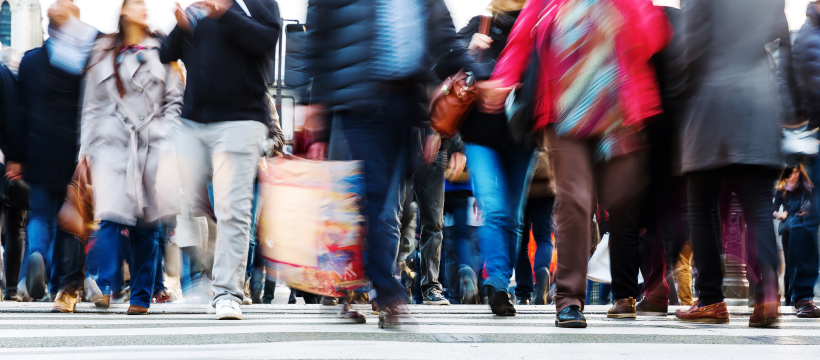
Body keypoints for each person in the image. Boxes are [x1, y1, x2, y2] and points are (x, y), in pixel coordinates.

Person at [301, 0, 490, 328]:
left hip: (406, 104)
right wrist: (311, 102)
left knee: (387, 203)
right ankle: (382, 291)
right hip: (357, 100)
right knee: (371, 197)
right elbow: (318, 36)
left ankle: (365, 289)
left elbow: (444, 40)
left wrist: (481, 74)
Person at [482, 0, 670, 326]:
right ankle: (568, 300)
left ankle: (599, 287)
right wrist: (503, 79)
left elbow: (652, 33)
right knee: (574, 200)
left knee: (623, 195)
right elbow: (522, 37)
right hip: (563, 111)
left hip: (617, 111)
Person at [670, 0, 797, 327]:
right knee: (757, 202)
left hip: (711, 97)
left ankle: (711, 299)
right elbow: (780, 38)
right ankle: (767, 293)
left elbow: (693, 43)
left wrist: (678, 90)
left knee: (700, 201)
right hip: (758, 97)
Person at [159, 0, 281, 320]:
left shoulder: (255, 4)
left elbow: (266, 39)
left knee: (232, 209)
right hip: (192, 121)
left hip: (241, 120)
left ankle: (227, 292)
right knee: (178, 198)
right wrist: (181, 26)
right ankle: (198, 271)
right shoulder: (198, 7)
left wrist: (225, 13)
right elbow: (166, 54)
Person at [80, 0, 183, 316]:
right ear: (124, 10)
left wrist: (164, 134)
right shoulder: (105, 52)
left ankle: (140, 297)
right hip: (111, 147)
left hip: (151, 146)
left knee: (147, 225)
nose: (144, 8)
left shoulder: (163, 50)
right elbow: (92, 107)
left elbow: (175, 100)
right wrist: (85, 152)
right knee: (110, 219)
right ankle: (104, 286)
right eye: (137, 3)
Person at [437, 0, 529, 317]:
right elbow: (441, 64)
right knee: (496, 209)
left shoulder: (538, 24)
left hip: (522, 137)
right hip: (480, 138)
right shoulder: (480, 24)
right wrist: (468, 46)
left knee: (514, 219)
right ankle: (499, 287)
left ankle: (499, 281)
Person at [6, 0, 97, 312]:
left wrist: (16, 155)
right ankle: (62, 284)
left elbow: (18, 114)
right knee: (71, 219)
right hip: (73, 154)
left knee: (40, 216)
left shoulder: (30, 61)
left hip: (38, 151)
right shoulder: (83, 62)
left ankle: (38, 257)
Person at [788, 0, 820, 318]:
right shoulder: (809, 38)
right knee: (808, 217)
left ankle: (802, 294)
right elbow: (811, 89)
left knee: (807, 217)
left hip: (809, 141)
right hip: (813, 141)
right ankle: (802, 295)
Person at [774, 165, 820, 317]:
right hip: (788, 226)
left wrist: (809, 209)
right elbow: (774, 208)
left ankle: (802, 298)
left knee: (804, 255)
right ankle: (791, 299)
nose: (793, 175)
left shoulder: (807, 186)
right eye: (790, 173)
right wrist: (780, 214)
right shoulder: (782, 188)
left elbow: (813, 202)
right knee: (790, 263)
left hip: (802, 221)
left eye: (796, 173)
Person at [513, 151, 555, 306]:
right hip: (545, 182)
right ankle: (542, 274)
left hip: (521, 183)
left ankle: (523, 294)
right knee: (544, 237)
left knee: (520, 241)